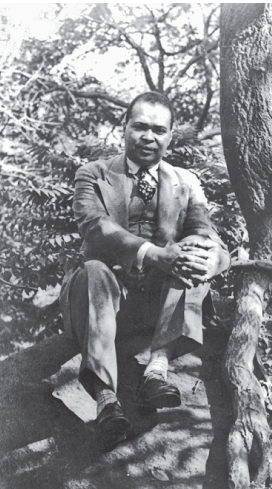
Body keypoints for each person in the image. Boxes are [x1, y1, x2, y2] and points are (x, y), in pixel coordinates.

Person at [60, 91, 230, 451]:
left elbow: (206, 234)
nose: (148, 137)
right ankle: (106, 398)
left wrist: (209, 258)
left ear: (169, 135)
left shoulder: (186, 181)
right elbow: (94, 227)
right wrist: (153, 253)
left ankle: (157, 368)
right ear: (124, 128)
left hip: (157, 306)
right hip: (103, 297)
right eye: (139, 127)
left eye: (158, 130)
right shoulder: (93, 174)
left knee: (191, 258)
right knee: (93, 268)